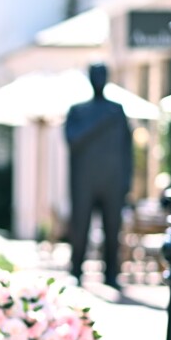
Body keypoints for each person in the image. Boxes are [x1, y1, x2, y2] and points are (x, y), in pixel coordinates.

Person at [64, 63, 133, 289]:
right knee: (80, 227)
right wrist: (100, 121)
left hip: (112, 181)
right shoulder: (78, 111)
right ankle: (76, 270)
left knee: (113, 230)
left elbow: (127, 149)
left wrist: (126, 180)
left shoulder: (117, 110)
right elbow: (72, 140)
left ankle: (111, 273)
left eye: (103, 75)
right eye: (96, 75)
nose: (99, 79)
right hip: (84, 181)